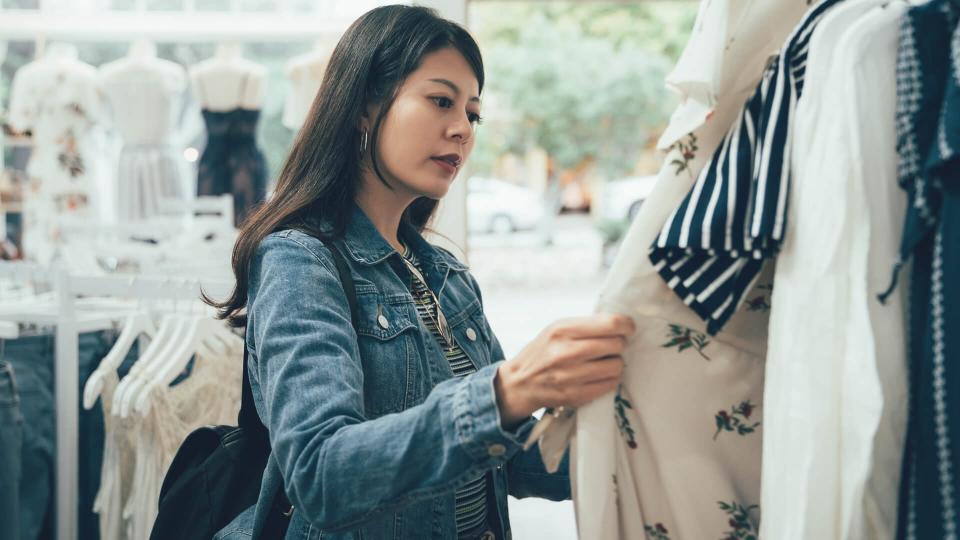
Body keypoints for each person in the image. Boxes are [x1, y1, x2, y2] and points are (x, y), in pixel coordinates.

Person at [209, 5, 634, 540]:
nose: (462, 129)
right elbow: (321, 475)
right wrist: (506, 392)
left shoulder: (447, 276)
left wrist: (631, 422)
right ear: (365, 107)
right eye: (440, 101)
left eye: (473, 113)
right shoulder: (300, 259)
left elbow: (517, 461)